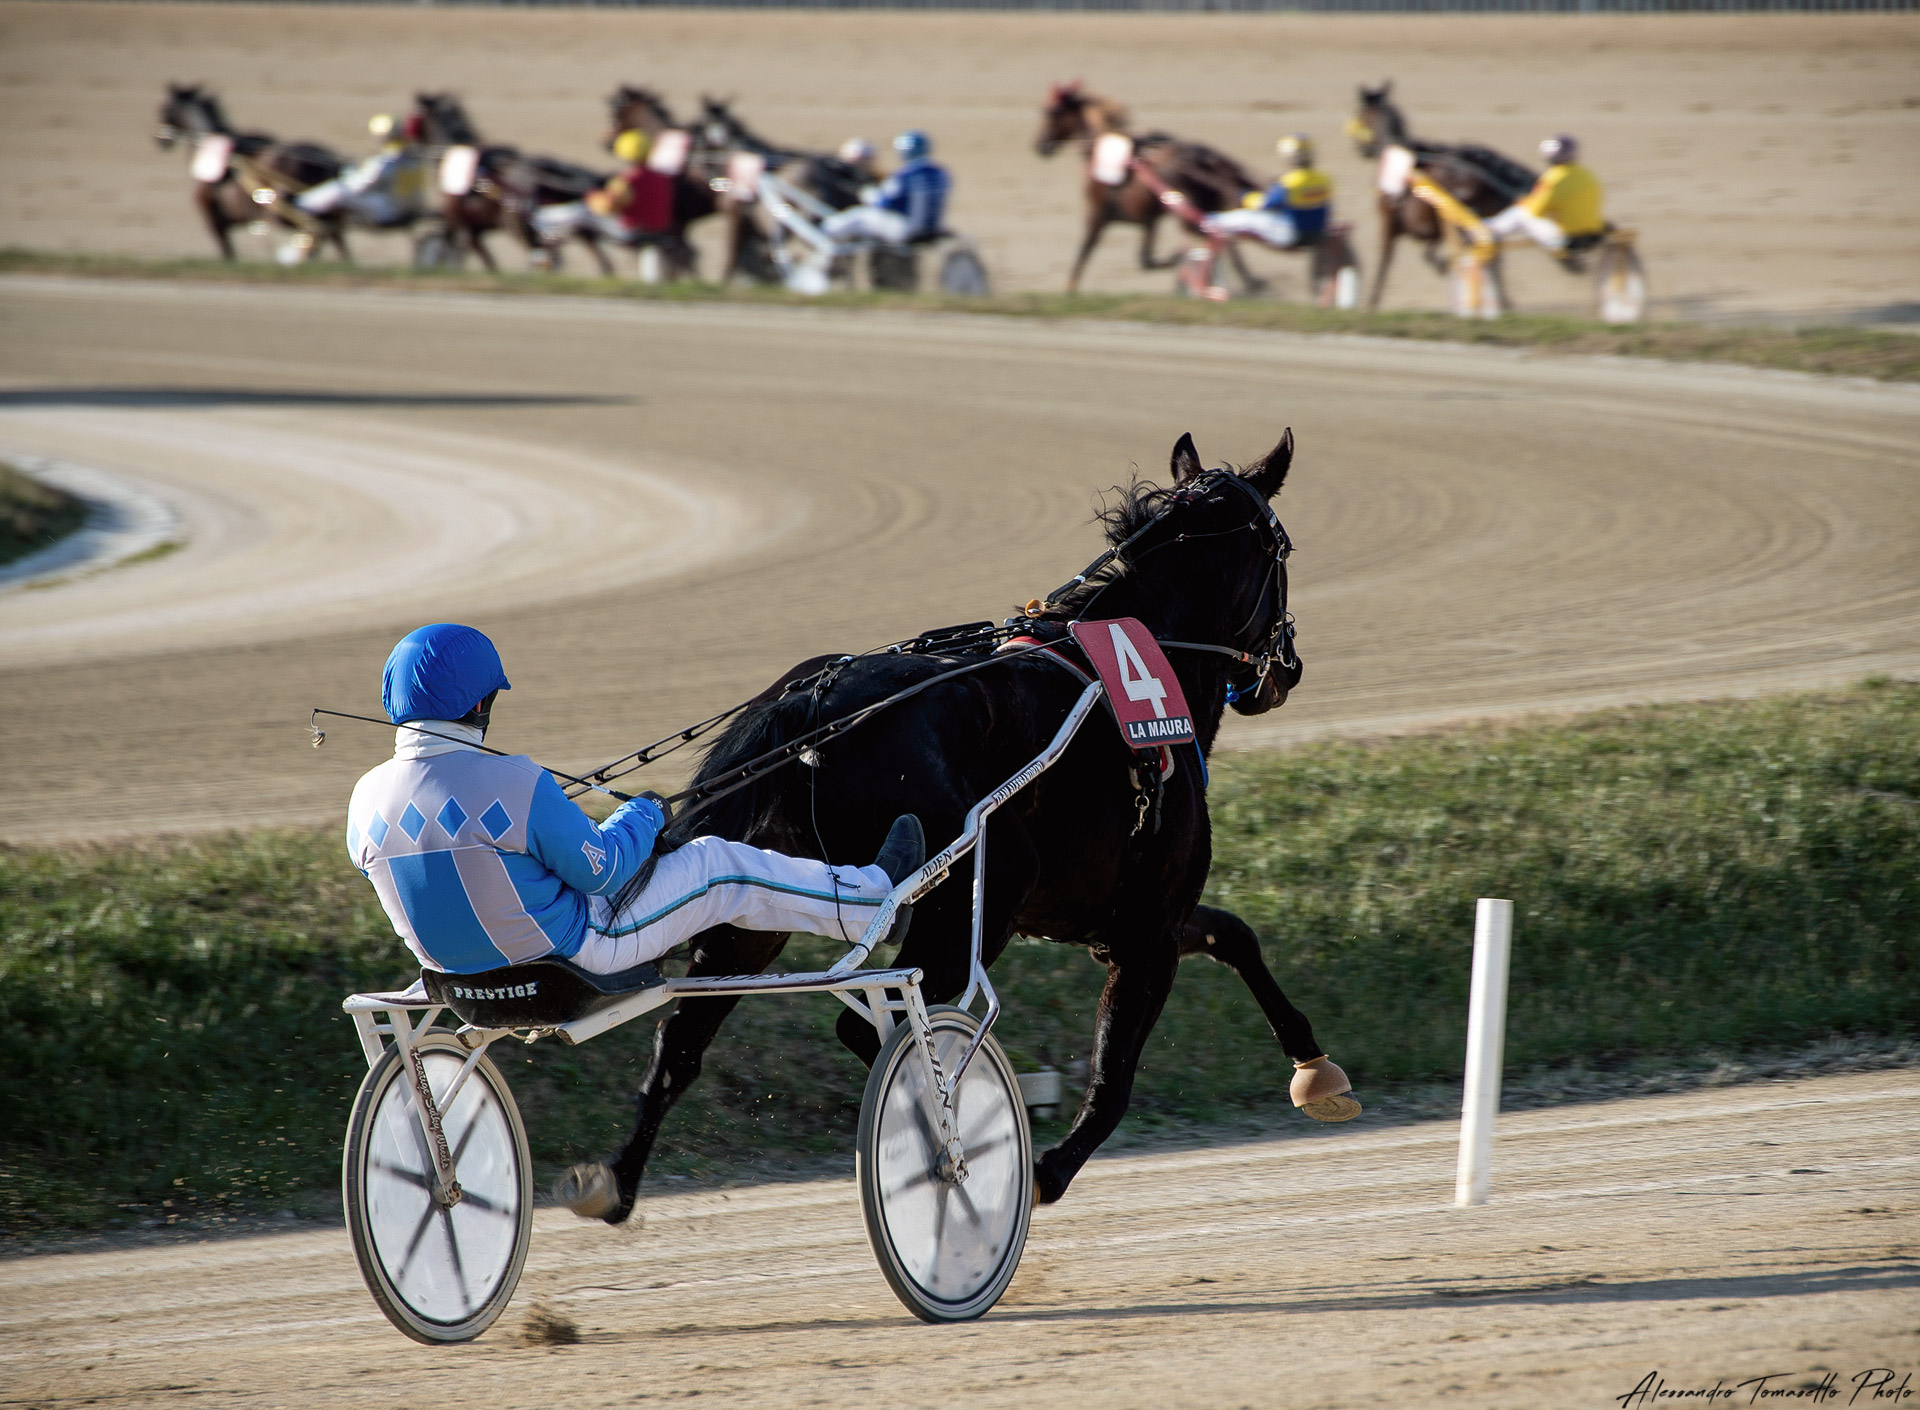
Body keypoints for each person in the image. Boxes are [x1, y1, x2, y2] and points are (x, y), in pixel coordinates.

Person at [346, 624, 926, 980]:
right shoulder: (515, 782)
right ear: (479, 707)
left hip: (451, 974)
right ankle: (870, 903)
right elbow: (603, 872)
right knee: (715, 865)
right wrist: (643, 813)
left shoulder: (363, 798)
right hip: (571, 956)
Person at [533, 128, 675, 251]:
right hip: (659, 227)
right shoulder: (661, 177)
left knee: (582, 211)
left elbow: (607, 206)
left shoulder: (628, 180)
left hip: (632, 231)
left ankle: (541, 223)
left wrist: (592, 197)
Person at [1201, 133, 1334, 251]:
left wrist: (1246, 196)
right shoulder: (1324, 179)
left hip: (1291, 235)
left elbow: (1264, 205)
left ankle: (1209, 221)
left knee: (1245, 217)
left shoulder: (1289, 183)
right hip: (1318, 232)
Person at [821, 129, 950, 247]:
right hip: (932, 228)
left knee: (860, 216)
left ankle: (823, 232)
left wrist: (866, 193)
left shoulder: (904, 176)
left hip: (906, 231)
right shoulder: (940, 173)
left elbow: (882, 202)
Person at [1484, 134, 1606, 258]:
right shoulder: (1588, 174)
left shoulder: (1554, 177)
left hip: (1568, 240)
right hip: (1592, 235)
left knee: (1521, 213)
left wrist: (1524, 201)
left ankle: (1489, 230)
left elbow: (1536, 210)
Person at [295, 113, 425, 227]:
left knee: (338, 190)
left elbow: (358, 187)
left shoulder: (387, 161)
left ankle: (300, 203)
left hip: (389, 211)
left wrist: (348, 173)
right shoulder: (414, 158)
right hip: (410, 207)